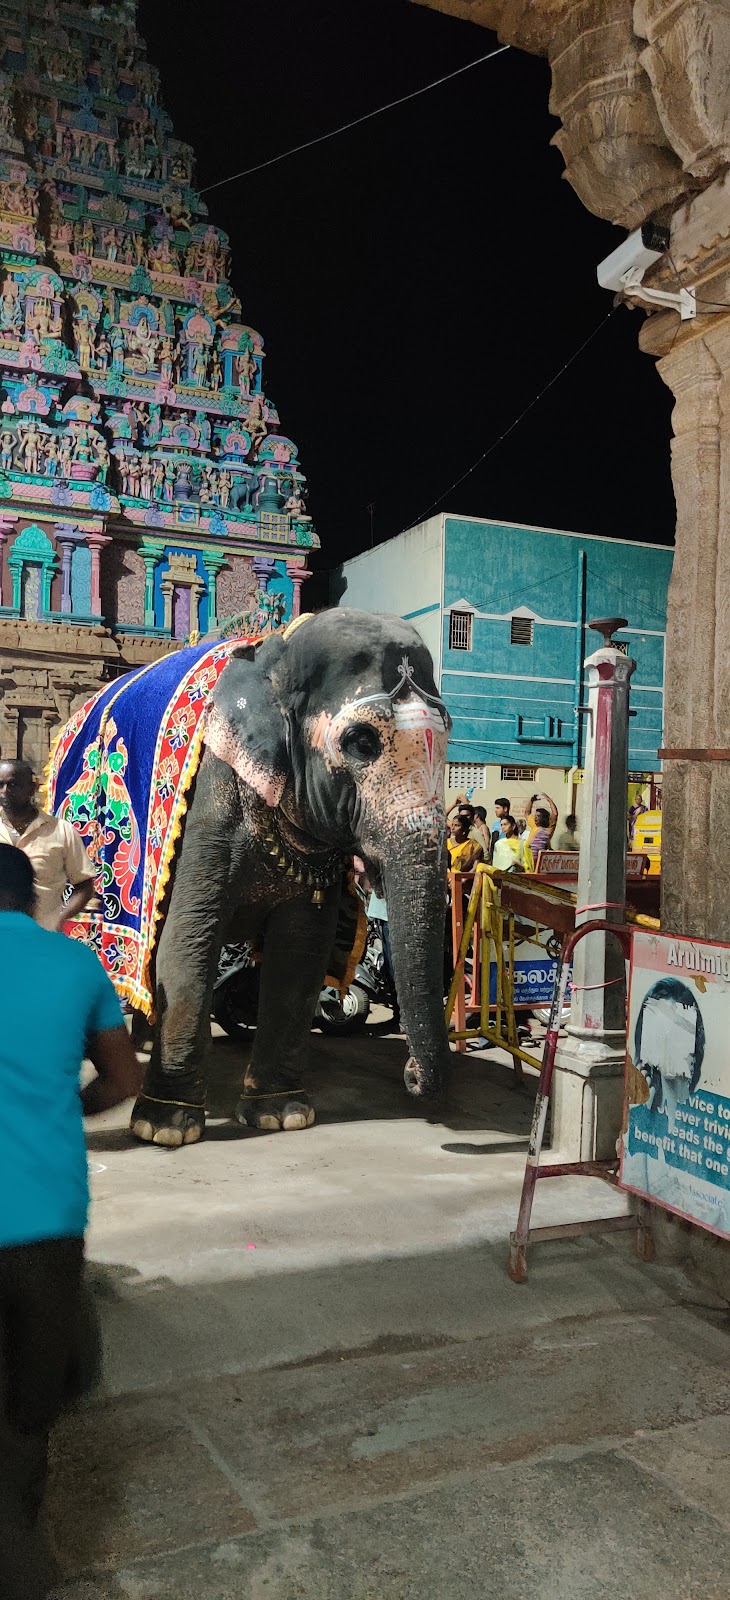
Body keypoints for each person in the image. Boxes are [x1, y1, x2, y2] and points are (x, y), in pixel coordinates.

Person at [0, 844, 142, 1598]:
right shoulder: (75, 964)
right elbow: (124, 1077)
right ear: (32, 897)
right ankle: (21, 1546)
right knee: (32, 1406)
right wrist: (65, 1105)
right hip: (45, 1221)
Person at [0, 759, 96, 931]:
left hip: (43, 935)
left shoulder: (62, 831)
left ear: (32, 788)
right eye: (0, 785)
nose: (5, 792)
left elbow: (84, 886)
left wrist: (60, 918)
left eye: (13, 785)